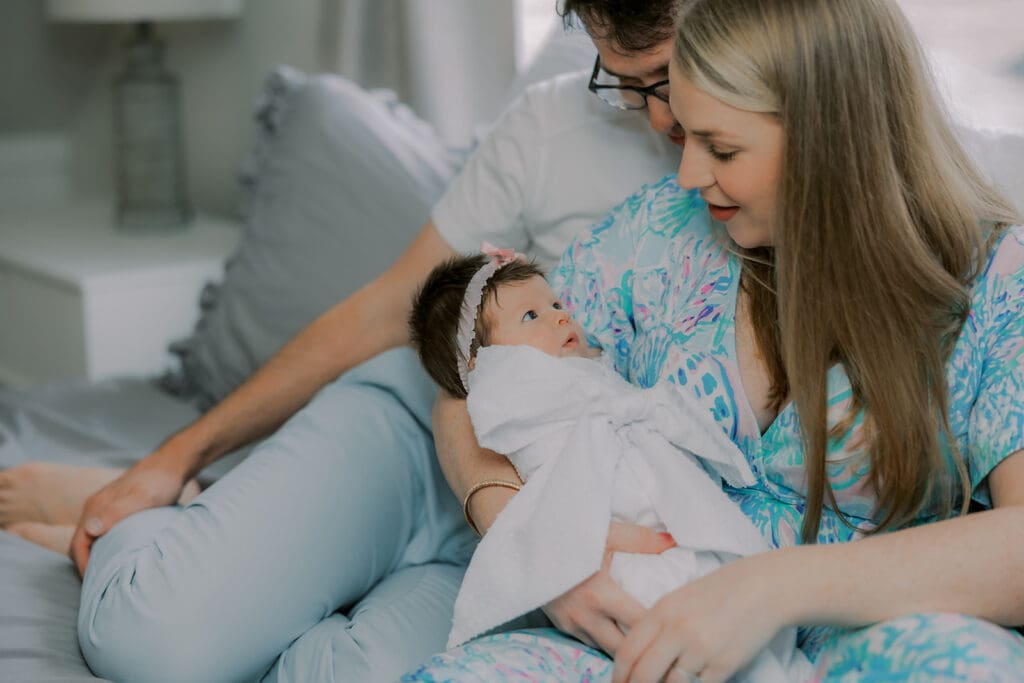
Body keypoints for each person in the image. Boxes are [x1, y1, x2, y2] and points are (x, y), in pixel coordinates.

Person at [0, 2, 686, 682]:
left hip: (514, 530)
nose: (656, 117)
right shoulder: (550, 124)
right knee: (150, 639)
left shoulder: (759, 180)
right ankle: (173, 515)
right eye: (622, 82)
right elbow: (385, 311)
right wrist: (173, 456)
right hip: (412, 437)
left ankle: (224, 527)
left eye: (667, 74)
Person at [408, 0, 1024, 681]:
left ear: (829, 138)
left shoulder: (994, 283)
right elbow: (477, 375)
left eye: (721, 148)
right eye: (689, 136)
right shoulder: (658, 232)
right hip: (644, 638)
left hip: (865, 643)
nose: (688, 175)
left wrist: (769, 588)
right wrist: (528, 536)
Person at [407, 250, 812, 682]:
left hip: (681, 530)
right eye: (531, 316)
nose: (560, 318)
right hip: (615, 551)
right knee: (689, 629)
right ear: (483, 366)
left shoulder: (590, 375)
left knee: (741, 611)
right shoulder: (510, 395)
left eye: (557, 306)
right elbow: (466, 402)